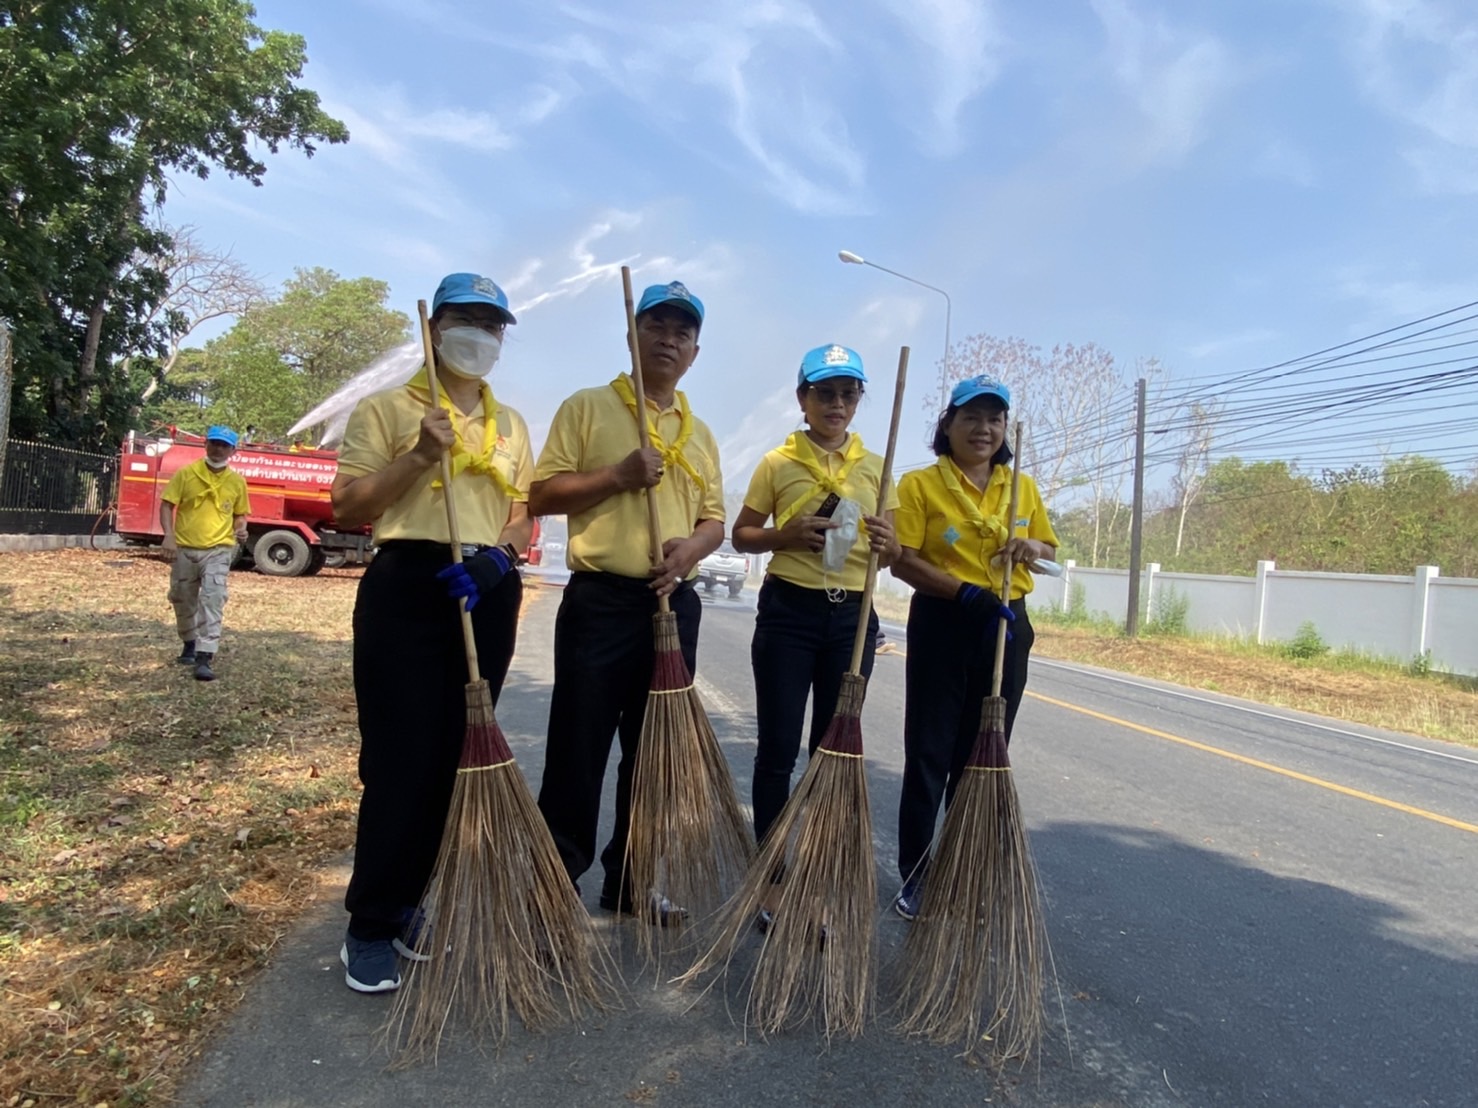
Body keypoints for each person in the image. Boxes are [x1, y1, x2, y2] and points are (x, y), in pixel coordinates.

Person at [330, 272, 534, 993]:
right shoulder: (388, 410)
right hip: (409, 587)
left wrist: (499, 558)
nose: (480, 333)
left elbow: (522, 513)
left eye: (493, 323)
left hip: (484, 587)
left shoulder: (511, 425)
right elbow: (347, 507)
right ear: (434, 326)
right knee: (398, 758)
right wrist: (418, 456)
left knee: (454, 755)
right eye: (466, 318)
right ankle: (370, 922)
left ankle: (410, 898)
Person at [530, 280, 725, 925]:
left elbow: (716, 520)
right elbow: (543, 495)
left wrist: (691, 550)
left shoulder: (700, 434)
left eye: (682, 332)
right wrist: (618, 476)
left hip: (673, 606)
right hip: (601, 603)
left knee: (655, 753)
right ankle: (555, 885)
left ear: (695, 351)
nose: (668, 339)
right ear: (632, 333)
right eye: (657, 326)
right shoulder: (587, 407)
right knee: (578, 746)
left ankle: (632, 881)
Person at [729, 344, 899, 927]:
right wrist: (785, 534)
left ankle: (821, 881)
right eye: (824, 392)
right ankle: (772, 880)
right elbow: (743, 535)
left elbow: (897, 550)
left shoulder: (877, 466)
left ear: (857, 402)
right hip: (789, 612)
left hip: (852, 617)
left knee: (833, 753)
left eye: (848, 393)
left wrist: (887, 543)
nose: (836, 403)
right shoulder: (777, 462)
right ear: (803, 399)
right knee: (778, 750)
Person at [888, 375, 1059, 920]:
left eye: (995, 419)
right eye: (971, 418)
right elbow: (903, 559)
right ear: (948, 425)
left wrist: (1033, 545)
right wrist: (964, 593)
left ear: (1005, 429)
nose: (984, 429)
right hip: (945, 620)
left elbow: (1050, 550)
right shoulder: (919, 486)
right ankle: (916, 876)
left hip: (1008, 627)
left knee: (983, 755)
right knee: (930, 753)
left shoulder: (1022, 488)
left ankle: (963, 874)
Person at [160, 425, 250, 682]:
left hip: (219, 549)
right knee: (181, 597)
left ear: (233, 450)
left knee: (213, 598)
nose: (218, 449)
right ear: (205, 445)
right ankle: (189, 642)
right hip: (186, 548)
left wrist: (241, 529)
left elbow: (240, 515)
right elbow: (167, 505)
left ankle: (204, 656)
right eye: (214, 443)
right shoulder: (186, 474)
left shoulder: (236, 482)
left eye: (224, 445)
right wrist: (168, 536)